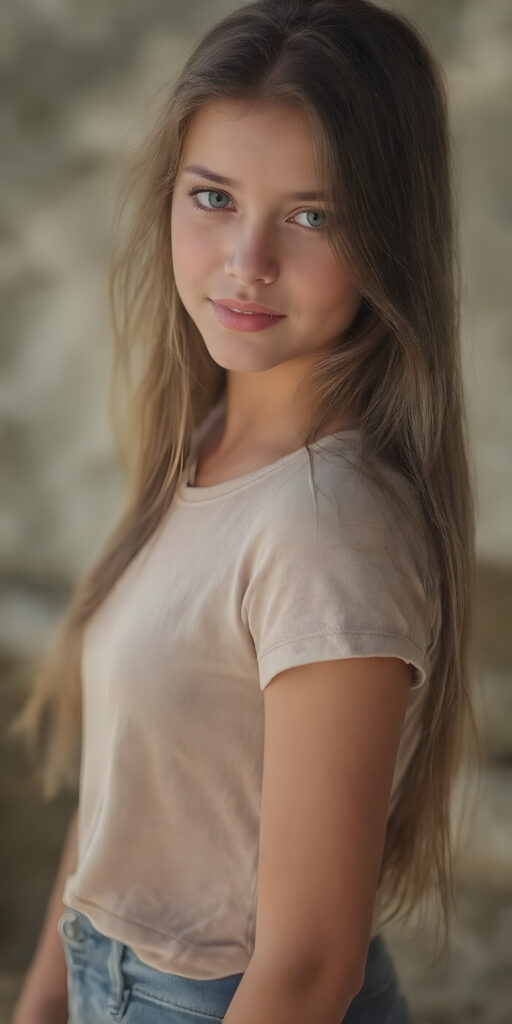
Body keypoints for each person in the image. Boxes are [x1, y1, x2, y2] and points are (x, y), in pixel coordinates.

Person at [9, 0, 481, 1021]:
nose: (247, 260)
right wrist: (44, 1000)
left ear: (389, 238)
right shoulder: (206, 440)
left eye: (313, 216)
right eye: (214, 197)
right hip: (112, 975)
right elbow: (128, 801)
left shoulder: (324, 528)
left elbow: (307, 966)